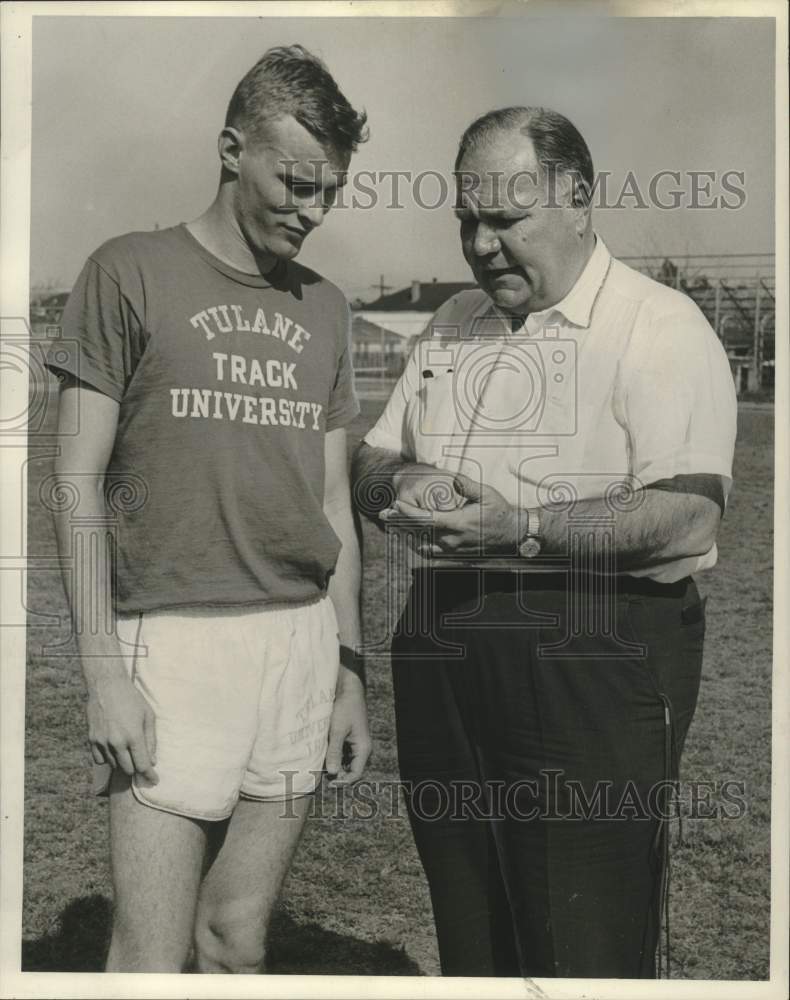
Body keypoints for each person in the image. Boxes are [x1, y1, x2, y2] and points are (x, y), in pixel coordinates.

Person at [353, 106, 737, 978]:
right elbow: (372, 456)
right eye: (466, 220)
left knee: (581, 944)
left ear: (579, 200)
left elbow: (686, 514)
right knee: (471, 929)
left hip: (593, 647)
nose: (482, 245)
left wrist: (521, 528)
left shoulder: (658, 325)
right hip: (444, 648)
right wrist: (404, 484)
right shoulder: (451, 323)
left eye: (506, 220)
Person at [47, 45, 371, 973]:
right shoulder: (128, 271)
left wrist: (349, 669)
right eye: (294, 182)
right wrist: (104, 673)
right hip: (173, 644)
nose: (310, 212)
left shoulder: (328, 307)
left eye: (329, 193)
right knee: (148, 957)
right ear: (231, 149)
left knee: (236, 941)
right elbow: (74, 481)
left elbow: (333, 502)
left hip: (299, 645)